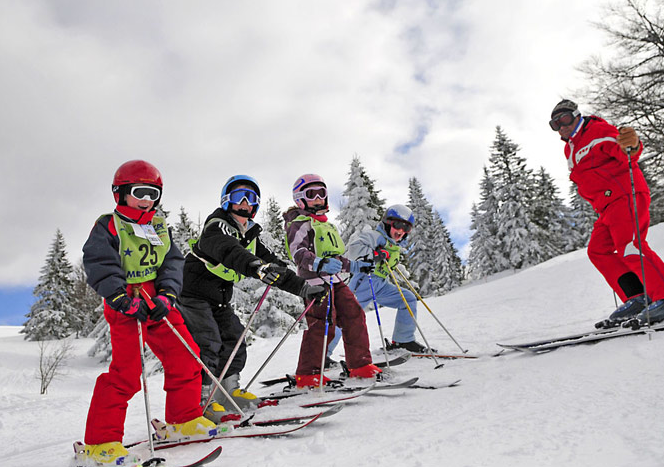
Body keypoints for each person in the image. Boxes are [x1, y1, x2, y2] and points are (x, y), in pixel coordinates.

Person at [80, 160, 215, 465]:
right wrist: (120, 297)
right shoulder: (109, 225)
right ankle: (100, 442)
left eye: (153, 194)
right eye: (140, 192)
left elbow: (172, 262)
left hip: (157, 300)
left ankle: (184, 418)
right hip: (126, 300)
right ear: (121, 193)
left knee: (187, 355)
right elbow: (99, 261)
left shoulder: (159, 226)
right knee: (126, 373)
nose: (146, 200)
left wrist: (168, 294)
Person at [178, 175, 325, 421]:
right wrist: (256, 266)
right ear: (227, 201)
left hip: (219, 298)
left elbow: (275, 266)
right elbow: (229, 251)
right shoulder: (217, 226)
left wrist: (303, 287)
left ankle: (227, 393)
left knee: (234, 339)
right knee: (207, 343)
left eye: (251, 199)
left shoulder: (250, 236)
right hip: (193, 295)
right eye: (239, 197)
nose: (245, 203)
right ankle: (202, 401)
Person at [550, 99, 664, 325]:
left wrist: (632, 144)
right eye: (555, 124)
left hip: (625, 195)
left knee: (631, 247)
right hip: (606, 207)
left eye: (565, 118)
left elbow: (627, 151)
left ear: (576, 115)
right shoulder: (569, 149)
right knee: (598, 250)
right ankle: (638, 297)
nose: (562, 126)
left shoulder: (597, 130)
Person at [283, 173, 381, 387]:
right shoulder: (298, 223)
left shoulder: (325, 225)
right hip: (314, 284)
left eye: (322, 193)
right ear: (300, 198)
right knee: (322, 325)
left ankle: (360, 364)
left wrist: (355, 266)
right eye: (312, 194)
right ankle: (309, 374)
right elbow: (297, 253)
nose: (318, 198)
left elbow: (335, 257)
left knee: (354, 314)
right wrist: (319, 263)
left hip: (335, 280)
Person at [326, 204, 432, 357]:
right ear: (388, 223)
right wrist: (373, 254)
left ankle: (403, 340)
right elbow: (354, 248)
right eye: (398, 225)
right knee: (345, 316)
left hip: (380, 285)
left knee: (407, 299)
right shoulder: (375, 236)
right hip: (362, 282)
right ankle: (323, 355)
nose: (401, 231)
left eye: (406, 228)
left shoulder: (393, 245)